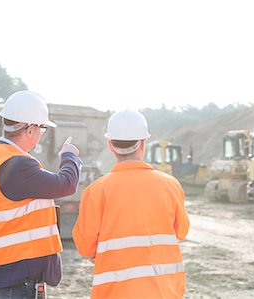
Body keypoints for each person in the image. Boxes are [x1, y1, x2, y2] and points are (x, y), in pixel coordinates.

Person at [0, 90, 82, 299]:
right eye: (42, 128)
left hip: (8, 270)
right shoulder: (17, 164)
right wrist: (69, 157)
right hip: (17, 274)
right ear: (31, 129)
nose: (42, 133)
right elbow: (66, 184)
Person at [73, 109, 190, 299]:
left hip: (115, 293)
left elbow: (85, 246)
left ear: (110, 146)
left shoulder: (96, 191)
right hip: (164, 292)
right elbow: (181, 231)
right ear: (143, 143)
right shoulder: (170, 185)